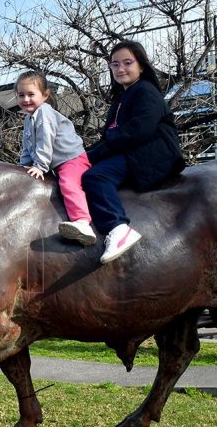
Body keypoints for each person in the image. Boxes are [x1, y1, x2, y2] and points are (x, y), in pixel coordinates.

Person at [82, 40, 185, 264]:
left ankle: (117, 228)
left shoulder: (146, 92)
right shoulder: (122, 98)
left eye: (127, 63)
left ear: (141, 65)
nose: (120, 69)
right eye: (114, 64)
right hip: (133, 151)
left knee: (96, 176)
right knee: (84, 164)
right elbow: (110, 138)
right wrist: (85, 155)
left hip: (152, 154)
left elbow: (139, 131)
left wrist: (95, 155)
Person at [16, 71, 96, 246]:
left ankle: (82, 221)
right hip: (58, 163)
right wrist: (22, 168)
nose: (26, 99)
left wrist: (40, 166)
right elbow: (28, 147)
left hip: (72, 159)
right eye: (21, 95)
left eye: (31, 94)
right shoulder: (29, 119)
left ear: (45, 95)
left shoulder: (44, 112)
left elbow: (46, 140)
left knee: (68, 184)